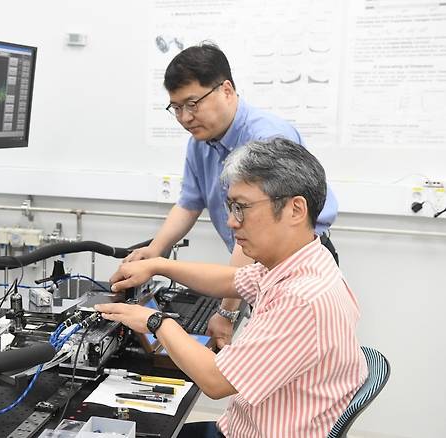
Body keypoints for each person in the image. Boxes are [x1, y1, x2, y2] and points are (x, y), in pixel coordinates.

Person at [97, 138, 366, 438]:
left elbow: (215, 380)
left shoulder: (302, 297)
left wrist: (154, 321)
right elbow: (230, 280)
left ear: (295, 209)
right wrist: (159, 264)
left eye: (241, 208)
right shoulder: (299, 262)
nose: (231, 222)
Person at [125, 43, 339, 348]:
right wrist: (155, 251)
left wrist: (226, 311)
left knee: (277, 367)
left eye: (192, 103)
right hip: (258, 267)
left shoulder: (267, 139)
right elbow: (189, 202)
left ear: (226, 90)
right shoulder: (200, 142)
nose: (185, 117)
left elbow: (256, 227)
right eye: (176, 108)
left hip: (292, 268)